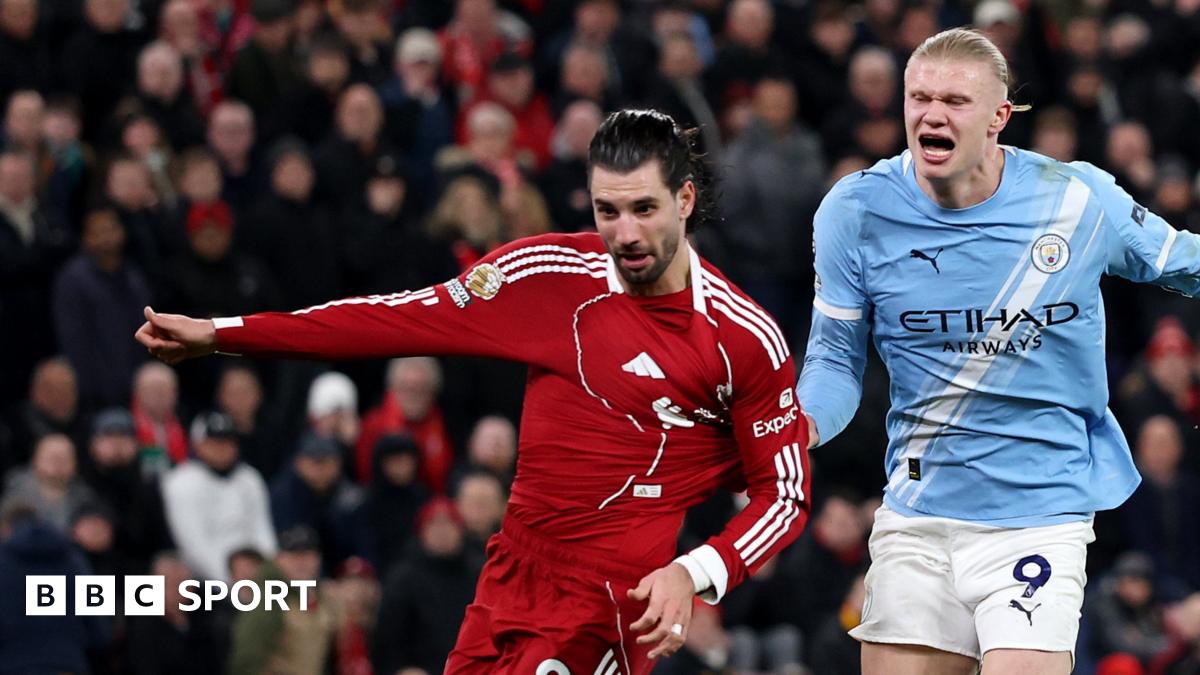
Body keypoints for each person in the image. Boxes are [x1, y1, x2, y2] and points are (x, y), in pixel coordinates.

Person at [136, 108, 812, 671]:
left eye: (644, 209)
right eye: (607, 210)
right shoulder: (545, 276)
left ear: (685, 200)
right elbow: (389, 319)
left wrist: (694, 571)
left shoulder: (741, 337)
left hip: (611, 599)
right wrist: (222, 333)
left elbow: (783, 494)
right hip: (510, 572)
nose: (625, 234)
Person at [796, 27, 1200, 675]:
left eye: (955, 100)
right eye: (919, 97)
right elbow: (834, 359)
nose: (932, 114)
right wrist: (799, 425)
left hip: (1039, 514)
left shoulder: (1075, 198)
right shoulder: (857, 209)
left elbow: (1182, 261)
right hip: (918, 515)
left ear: (999, 116)